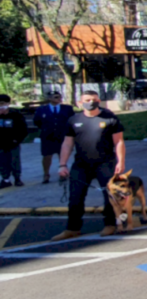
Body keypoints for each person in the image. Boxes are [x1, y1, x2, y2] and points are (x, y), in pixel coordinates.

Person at [51, 91, 126, 241]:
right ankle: (73, 228)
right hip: (81, 164)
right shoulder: (73, 120)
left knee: (109, 196)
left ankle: (110, 225)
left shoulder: (110, 118)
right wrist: (62, 164)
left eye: (94, 99)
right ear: (80, 102)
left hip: (105, 163)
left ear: (99, 101)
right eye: (87, 100)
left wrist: (121, 162)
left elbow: (119, 142)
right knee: (75, 198)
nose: (91, 102)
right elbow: (67, 143)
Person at [33, 91, 74, 184]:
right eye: (56, 97)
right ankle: (46, 174)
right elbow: (37, 121)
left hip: (62, 136)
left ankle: (63, 173)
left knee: (62, 155)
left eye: (59, 97)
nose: (59, 99)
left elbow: (72, 120)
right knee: (47, 156)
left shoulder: (67, 108)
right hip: (48, 137)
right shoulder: (42, 109)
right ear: (50, 98)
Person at [0, 95, 28, 189]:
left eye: (3, 104)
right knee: (2, 162)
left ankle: (17, 178)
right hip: (1, 144)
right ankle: (5, 180)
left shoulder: (15, 114)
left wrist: (17, 139)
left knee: (14, 161)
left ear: (8, 104)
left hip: (13, 143)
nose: (1, 106)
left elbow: (23, 129)